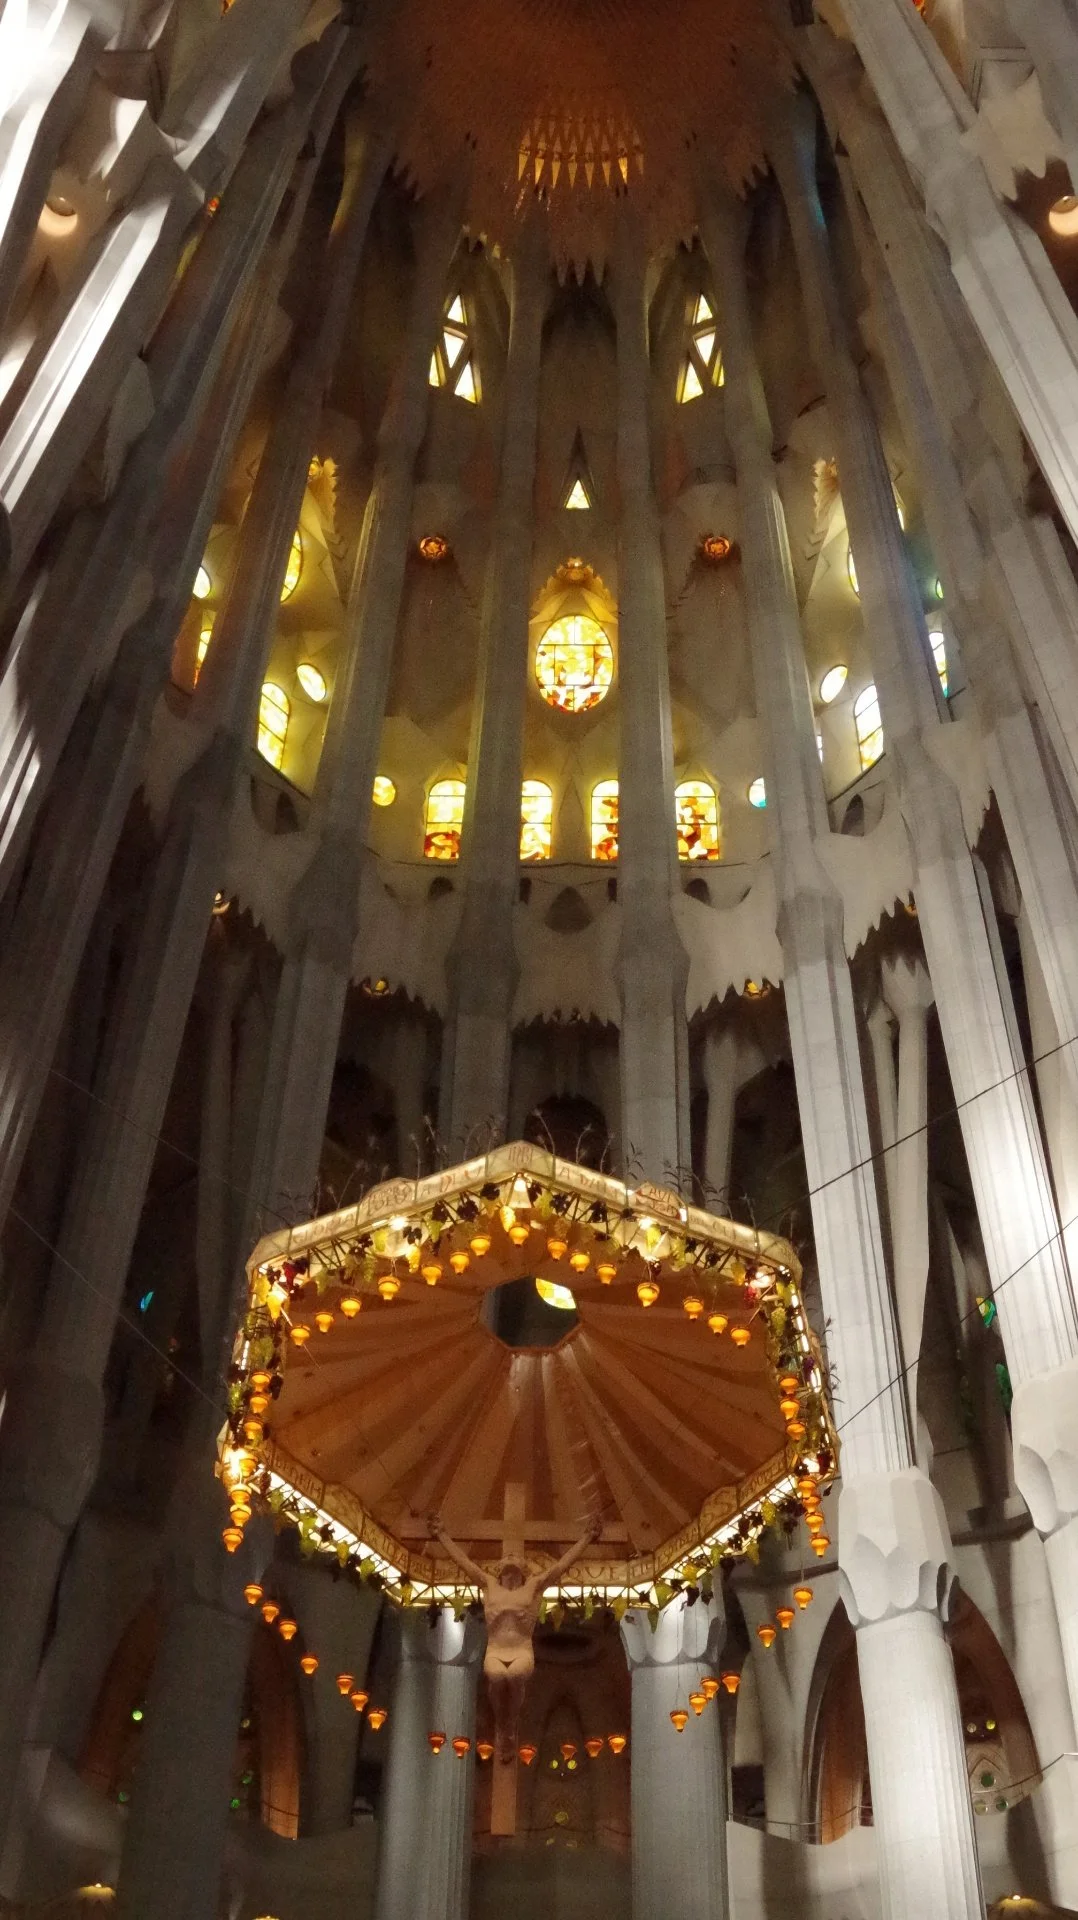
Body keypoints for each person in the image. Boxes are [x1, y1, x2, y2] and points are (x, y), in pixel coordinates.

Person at [430, 1514, 601, 1760]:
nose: (510, 1556)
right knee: (498, 1676)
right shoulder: (488, 1585)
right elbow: (464, 1562)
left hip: (521, 1650)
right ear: (499, 1568)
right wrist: (441, 1535)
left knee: (514, 1675)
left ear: (524, 1567)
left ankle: (509, 1726)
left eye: (515, 1556)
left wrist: (586, 1538)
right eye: (507, 1556)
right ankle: (505, 1726)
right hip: (496, 1650)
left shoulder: (533, 1587)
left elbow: (561, 1566)